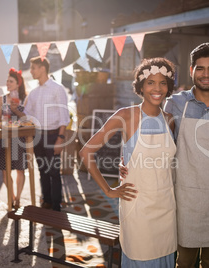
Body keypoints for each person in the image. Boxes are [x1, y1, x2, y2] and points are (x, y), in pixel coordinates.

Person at [120, 43, 209, 268]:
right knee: (183, 263)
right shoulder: (175, 103)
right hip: (182, 199)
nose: (206, 74)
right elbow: (150, 137)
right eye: (200, 68)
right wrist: (127, 161)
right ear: (191, 71)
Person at [80, 57, 177, 267]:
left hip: (166, 208)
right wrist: (108, 190)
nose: (157, 88)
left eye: (163, 82)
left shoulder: (169, 119)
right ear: (141, 86)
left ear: (169, 86)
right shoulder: (125, 115)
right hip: (138, 207)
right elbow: (86, 151)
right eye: (150, 82)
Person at [23, 56, 70, 211]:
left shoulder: (57, 88)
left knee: (54, 172)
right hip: (38, 136)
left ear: (42, 68)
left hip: (53, 135)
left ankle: (56, 207)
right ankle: (47, 201)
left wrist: (60, 139)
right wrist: (15, 108)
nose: (31, 71)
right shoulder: (33, 92)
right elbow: (27, 114)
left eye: (33, 68)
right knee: (42, 170)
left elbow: (64, 116)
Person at [0, 68, 27, 209]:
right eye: (7, 81)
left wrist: (15, 109)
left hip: (20, 139)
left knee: (20, 170)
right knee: (5, 170)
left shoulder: (25, 99)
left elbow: (27, 119)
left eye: (11, 81)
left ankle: (18, 199)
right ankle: (12, 196)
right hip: (6, 138)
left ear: (18, 83)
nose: (8, 83)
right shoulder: (1, 99)